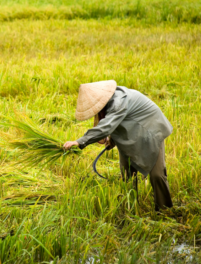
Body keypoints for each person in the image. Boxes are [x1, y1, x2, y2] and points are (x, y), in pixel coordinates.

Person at [63, 80, 173, 211]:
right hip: (130, 132)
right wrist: (112, 139)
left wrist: (79, 142)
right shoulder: (110, 102)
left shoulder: (119, 101)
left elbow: (106, 126)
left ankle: (165, 209)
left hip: (151, 131)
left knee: (157, 175)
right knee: (126, 173)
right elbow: (118, 122)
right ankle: (131, 207)